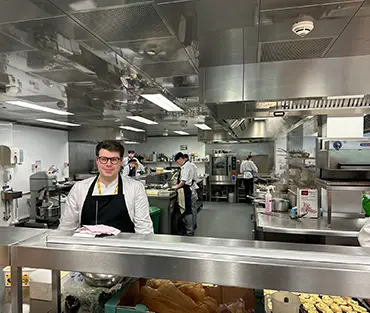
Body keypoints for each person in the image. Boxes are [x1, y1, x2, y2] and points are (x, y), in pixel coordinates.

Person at [59, 140, 153, 234]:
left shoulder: (135, 188)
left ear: (120, 162)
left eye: (114, 160)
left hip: (124, 247)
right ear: (97, 161)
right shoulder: (79, 188)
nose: (108, 164)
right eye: (103, 159)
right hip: (87, 247)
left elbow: (144, 230)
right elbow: (66, 229)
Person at [171, 152, 197, 236]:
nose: (177, 163)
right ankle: (188, 228)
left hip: (185, 190)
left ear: (180, 159)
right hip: (186, 189)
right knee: (186, 210)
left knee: (186, 211)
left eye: (177, 161)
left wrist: (176, 187)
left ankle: (189, 231)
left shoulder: (186, 166)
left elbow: (183, 181)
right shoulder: (188, 165)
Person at [183, 154, 199, 229]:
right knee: (193, 207)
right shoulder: (192, 165)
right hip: (192, 188)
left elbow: (185, 180)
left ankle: (191, 226)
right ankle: (194, 223)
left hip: (190, 188)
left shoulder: (188, 166)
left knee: (191, 208)